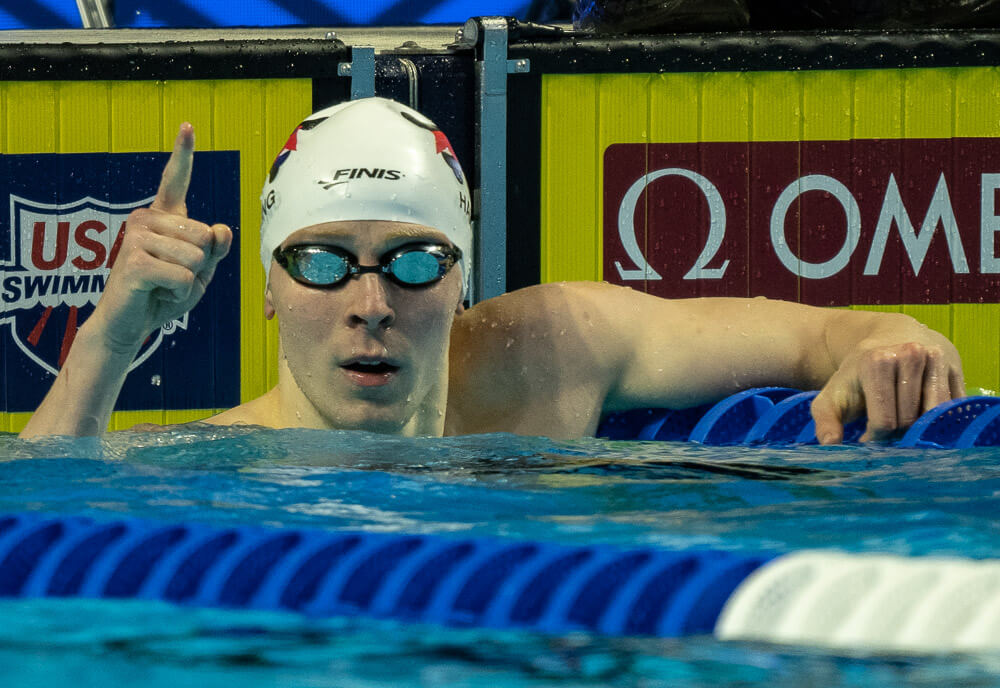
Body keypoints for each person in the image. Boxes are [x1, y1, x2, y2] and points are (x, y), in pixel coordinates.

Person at [20, 97, 965, 444]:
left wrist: (894, 336)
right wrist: (111, 336)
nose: (372, 304)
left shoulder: (556, 348)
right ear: (265, 289)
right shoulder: (214, 470)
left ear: (464, 277)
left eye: (416, 262)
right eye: (320, 263)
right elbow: (38, 526)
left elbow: (819, 336)